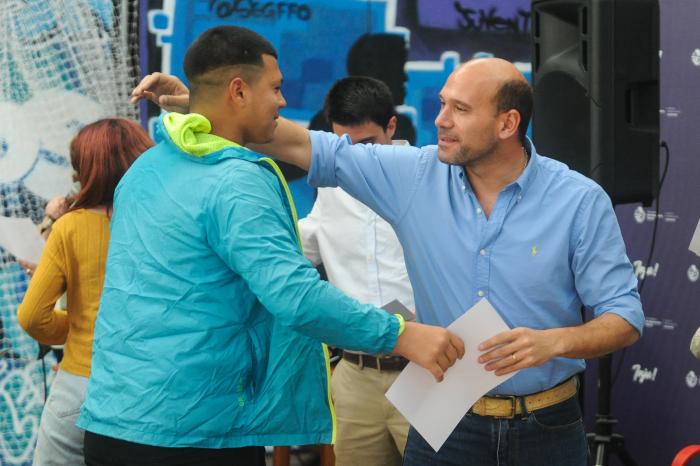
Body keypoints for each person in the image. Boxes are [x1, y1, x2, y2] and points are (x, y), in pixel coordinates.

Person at [133, 56, 644, 466]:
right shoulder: (413, 175)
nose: (440, 120)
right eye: (443, 104)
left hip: (549, 425)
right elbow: (291, 140)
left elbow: (624, 319)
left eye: (460, 110)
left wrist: (552, 341)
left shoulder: (579, 199)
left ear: (508, 122)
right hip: (446, 415)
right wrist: (200, 102)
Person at [84, 26, 463, 466]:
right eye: (276, 88)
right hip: (198, 432)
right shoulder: (237, 180)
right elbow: (296, 296)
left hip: (112, 422)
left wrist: (198, 103)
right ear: (239, 91)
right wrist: (401, 334)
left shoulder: (145, 169)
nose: (283, 102)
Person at [16, 118, 153, 466]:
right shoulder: (163, 226)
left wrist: (76, 327)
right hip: (150, 385)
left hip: (82, 381)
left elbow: (32, 316)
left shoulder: (70, 227)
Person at [299, 76, 412, 466]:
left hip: (427, 370)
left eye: (366, 145)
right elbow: (303, 245)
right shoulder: (330, 187)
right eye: (343, 146)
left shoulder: (430, 177)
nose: (356, 158)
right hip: (354, 373)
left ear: (392, 128)